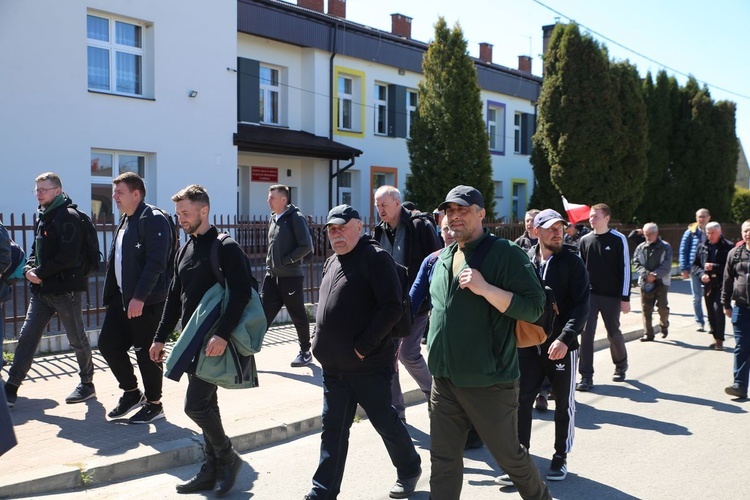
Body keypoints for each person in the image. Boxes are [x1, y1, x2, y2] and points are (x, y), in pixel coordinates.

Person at [427, 185, 551, 500]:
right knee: (443, 459)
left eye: (463, 210)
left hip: (489, 380)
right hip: (444, 378)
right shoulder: (446, 255)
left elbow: (535, 306)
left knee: (509, 457)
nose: (455, 216)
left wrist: (485, 289)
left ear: (482, 213)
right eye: (450, 211)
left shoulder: (505, 252)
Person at [305, 205, 422, 500]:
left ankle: (409, 469)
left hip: (368, 365)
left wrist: (362, 348)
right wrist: (316, 339)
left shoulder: (376, 258)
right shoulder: (332, 261)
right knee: (332, 429)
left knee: (384, 421)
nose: (337, 234)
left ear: (359, 226)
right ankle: (323, 491)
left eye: (342, 227)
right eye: (332, 229)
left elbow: (392, 307)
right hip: (334, 368)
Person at [150, 185, 249, 495]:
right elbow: (174, 300)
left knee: (195, 406)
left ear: (204, 211)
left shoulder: (226, 247)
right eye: (178, 213)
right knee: (209, 406)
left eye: (186, 213)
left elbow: (242, 295)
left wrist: (222, 334)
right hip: (193, 342)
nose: (180, 218)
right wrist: (159, 338)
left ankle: (228, 457)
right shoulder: (184, 248)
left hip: (214, 342)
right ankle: (212, 469)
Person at [496, 209, 589, 485]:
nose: (557, 231)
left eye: (560, 227)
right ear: (536, 231)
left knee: (563, 404)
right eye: (550, 228)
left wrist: (565, 338)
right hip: (528, 346)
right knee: (520, 401)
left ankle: (560, 456)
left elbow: (583, 305)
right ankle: (521, 461)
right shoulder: (525, 261)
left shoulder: (573, 263)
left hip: (562, 346)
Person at [4, 173, 95, 408]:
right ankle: (11, 386)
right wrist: (29, 269)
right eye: (37, 189)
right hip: (42, 291)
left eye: (44, 189)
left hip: (65, 291)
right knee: (27, 337)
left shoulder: (68, 216)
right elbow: (36, 248)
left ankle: (87, 384)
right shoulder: (44, 215)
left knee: (77, 339)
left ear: (57, 191)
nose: (39, 193)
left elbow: (68, 256)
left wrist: (39, 273)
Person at [98, 173, 173, 424]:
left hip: (146, 302)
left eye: (119, 192)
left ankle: (154, 403)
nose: (114, 196)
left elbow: (156, 262)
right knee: (108, 344)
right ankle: (131, 393)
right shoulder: (126, 220)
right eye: (114, 191)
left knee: (146, 353)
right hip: (122, 300)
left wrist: (140, 296)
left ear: (136, 194)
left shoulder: (153, 219)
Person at [373, 185, 442, 421]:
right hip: (388, 306)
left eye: (383, 204)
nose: (379, 209)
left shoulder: (419, 226)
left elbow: (437, 261)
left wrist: (433, 301)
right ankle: (397, 413)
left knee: (408, 355)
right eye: (376, 205)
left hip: (416, 303)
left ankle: (437, 398)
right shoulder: (378, 231)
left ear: (396, 203)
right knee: (388, 358)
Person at [576, 203, 631, 391]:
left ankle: (621, 364)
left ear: (607, 218)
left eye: (596, 216)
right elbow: (580, 270)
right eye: (591, 216)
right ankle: (586, 376)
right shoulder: (584, 240)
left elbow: (626, 269)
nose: (592, 219)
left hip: (612, 296)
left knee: (613, 332)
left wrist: (625, 297)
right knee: (586, 334)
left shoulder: (618, 239)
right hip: (589, 295)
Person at [262, 184, 313, 367]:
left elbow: (306, 246)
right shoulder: (273, 218)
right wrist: (271, 265)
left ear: (283, 199)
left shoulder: (295, 218)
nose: (268, 200)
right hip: (272, 276)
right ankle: (249, 350)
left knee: (297, 314)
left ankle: (305, 352)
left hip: (290, 277)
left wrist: (287, 260)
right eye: (269, 197)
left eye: (272, 197)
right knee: (263, 315)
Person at [692, 222, 734, 350]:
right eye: (708, 233)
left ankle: (720, 340)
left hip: (722, 284)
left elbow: (730, 268)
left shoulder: (728, 247)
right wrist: (701, 274)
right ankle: (716, 338)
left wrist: (713, 267)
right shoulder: (702, 247)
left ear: (719, 232)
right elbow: (694, 266)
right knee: (710, 312)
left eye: (712, 233)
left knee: (718, 310)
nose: (710, 236)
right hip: (708, 285)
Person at [722, 220, 750, 400]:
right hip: (741, 307)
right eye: (746, 231)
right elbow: (727, 279)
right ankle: (739, 385)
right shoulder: (735, 253)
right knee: (742, 346)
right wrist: (725, 303)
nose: (748, 233)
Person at [633, 223, 673, 342]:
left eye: (650, 234)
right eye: (645, 234)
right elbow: (636, 262)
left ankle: (664, 324)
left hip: (661, 281)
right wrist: (646, 274)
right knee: (646, 309)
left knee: (662, 307)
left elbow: (667, 264)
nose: (648, 237)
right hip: (645, 281)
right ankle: (648, 334)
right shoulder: (641, 247)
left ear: (656, 233)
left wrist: (655, 275)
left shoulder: (665, 247)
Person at [680, 209, 711, 332]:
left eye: (703, 217)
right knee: (697, 297)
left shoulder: (712, 231)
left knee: (710, 297)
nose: (701, 219)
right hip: (694, 269)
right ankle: (699, 322)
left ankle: (711, 322)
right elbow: (683, 250)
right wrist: (684, 268)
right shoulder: (690, 232)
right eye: (699, 217)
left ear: (709, 217)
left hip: (709, 269)